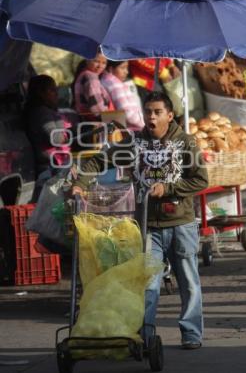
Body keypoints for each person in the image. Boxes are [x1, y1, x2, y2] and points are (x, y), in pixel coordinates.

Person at [72, 91, 208, 349]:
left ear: (170, 115)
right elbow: (98, 161)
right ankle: (145, 337)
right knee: (148, 286)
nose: (151, 117)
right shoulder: (132, 143)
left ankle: (191, 334)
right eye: (148, 112)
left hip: (182, 225)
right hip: (147, 227)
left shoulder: (186, 143)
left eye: (157, 112)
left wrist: (166, 189)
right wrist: (80, 184)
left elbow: (201, 180)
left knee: (189, 283)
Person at [100, 60, 144, 130]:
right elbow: (126, 112)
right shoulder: (115, 84)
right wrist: (143, 125)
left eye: (127, 68)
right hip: (130, 129)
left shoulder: (104, 80)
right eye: (122, 68)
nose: (126, 72)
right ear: (111, 69)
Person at [73, 54, 113, 119]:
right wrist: (112, 119)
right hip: (96, 123)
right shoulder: (91, 77)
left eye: (104, 63)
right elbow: (97, 108)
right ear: (87, 61)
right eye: (96, 61)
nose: (100, 66)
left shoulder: (83, 74)